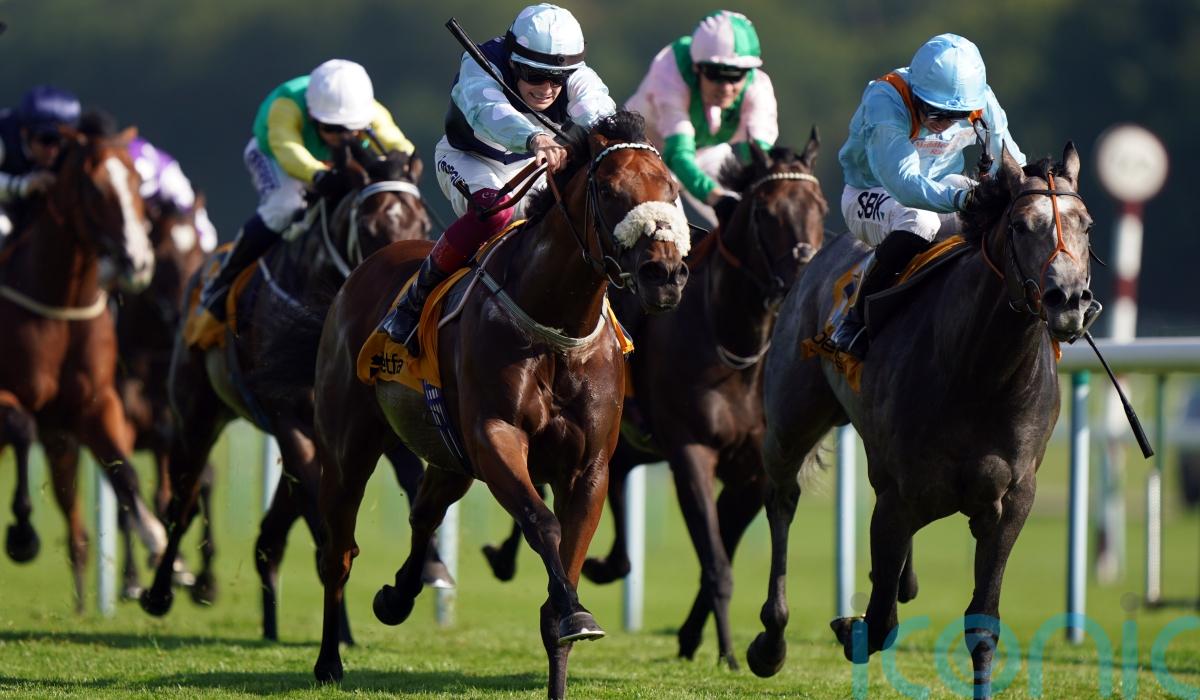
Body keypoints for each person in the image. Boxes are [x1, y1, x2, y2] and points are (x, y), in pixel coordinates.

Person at [380, 3, 616, 353]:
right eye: (534, 76)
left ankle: (608, 316)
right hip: (469, 158)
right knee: (497, 211)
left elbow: (599, 112)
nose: (547, 89)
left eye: (557, 79)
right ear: (513, 62)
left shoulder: (577, 75)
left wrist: (608, 139)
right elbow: (490, 112)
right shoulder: (481, 63)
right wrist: (535, 138)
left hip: (531, 165)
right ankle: (415, 300)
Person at [829, 33, 1026, 359]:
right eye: (934, 112)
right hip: (872, 192)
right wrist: (962, 200)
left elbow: (1012, 162)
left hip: (941, 186)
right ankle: (855, 318)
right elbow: (904, 184)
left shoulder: (981, 102)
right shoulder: (885, 99)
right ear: (916, 94)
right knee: (920, 221)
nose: (944, 124)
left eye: (956, 116)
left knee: (1004, 213)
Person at [196, 58, 415, 321]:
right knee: (285, 206)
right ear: (312, 115)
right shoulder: (286, 104)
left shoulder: (369, 109)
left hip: (327, 162)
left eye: (351, 129)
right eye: (331, 128)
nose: (342, 136)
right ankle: (223, 280)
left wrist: (403, 157)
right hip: (273, 156)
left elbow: (396, 142)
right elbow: (288, 151)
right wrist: (318, 175)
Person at [625, 10, 777, 227]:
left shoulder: (758, 87)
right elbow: (678, 155)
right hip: (647, 154)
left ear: (749, 72)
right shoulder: (671, 70)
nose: (726, 88)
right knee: (669, 228)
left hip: (706, 152)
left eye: (736, 75)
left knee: (747, 221)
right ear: (697, 67)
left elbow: (760, 158)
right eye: (715, 74)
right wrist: (716, 198)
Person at [0, 85, 80, 239]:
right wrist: (24, 185)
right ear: (25, 133)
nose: (53, 150)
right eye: (46, 140)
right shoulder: (3, 137)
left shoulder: (76, 145)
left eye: (60, 141)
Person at [129, 136, 218, 254]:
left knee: (206, 240)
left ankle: (202, 232)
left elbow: (186, 201)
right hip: (149, 187)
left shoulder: (170, 179)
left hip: (166, 180)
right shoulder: (124, 160)